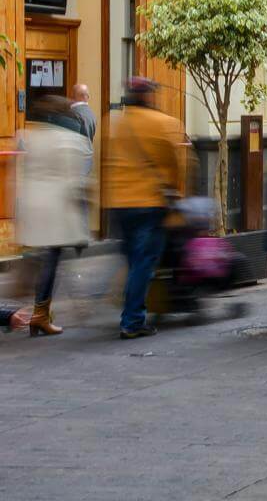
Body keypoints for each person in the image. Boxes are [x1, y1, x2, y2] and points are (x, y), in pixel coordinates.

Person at [103, 77, 184, 339]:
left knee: (131, 260)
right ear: (148, 96)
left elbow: (106, 163)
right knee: (143, 263)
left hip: (119, 203)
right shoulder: (164, 124)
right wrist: (178, 198)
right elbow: (175, 165)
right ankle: (132, 320)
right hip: (150, 203)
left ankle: (131, 310)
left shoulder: (113, 123)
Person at [18, 95, 91, 336]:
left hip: (33, 206)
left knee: (44, 258)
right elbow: (74, 183)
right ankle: (40, 314)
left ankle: (39, 311)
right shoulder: (69, 140)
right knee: (52, 259)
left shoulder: (29, 137)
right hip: (56, 210)